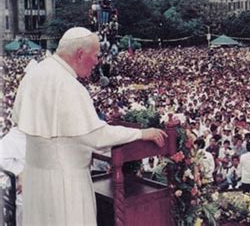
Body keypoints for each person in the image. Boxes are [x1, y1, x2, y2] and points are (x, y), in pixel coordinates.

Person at [12, 27, 168, 226]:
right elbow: (97, 137)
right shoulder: (69, 86)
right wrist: (142, 133)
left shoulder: (34, 74)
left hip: (35, 176)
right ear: (79, 54)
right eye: (95, 55)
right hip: (65, 182)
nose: (97, 61)